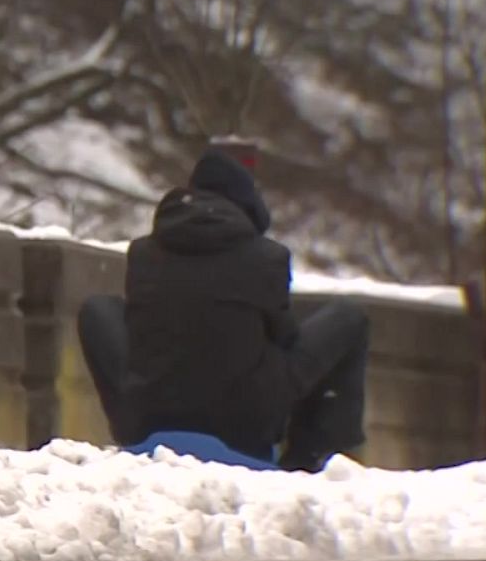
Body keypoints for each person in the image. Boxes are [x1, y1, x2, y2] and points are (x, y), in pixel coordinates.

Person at [122, 148, 369, 472]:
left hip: (153, 411)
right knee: (350, 318)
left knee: (100, 311)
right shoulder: (268, 257)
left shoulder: (142, 252)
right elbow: (285, 336)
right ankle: (310, 458)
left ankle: (128, 429)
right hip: (242, 422)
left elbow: (137, 326)